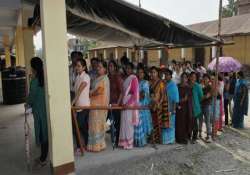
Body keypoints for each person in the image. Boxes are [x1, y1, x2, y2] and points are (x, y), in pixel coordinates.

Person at [26, 57, 48, 167]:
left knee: (42, 133)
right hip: (44, 109)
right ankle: (43, 156)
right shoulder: (44, 78)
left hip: (39, 110)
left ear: (34, 67)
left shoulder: (35, 81)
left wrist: (27, 103)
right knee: (45, 133)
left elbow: (32, 96)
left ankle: (43, 159)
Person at [87, 60, 110, 152]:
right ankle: (94, 145)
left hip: (99, 106)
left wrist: (90, 93)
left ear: (105, 69)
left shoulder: (104, 78)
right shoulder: (98, 78)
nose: (98, 68)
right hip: (94, 105)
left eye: (100, 67)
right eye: (98, 67)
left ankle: (98, 145)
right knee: (93, 124)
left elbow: (100, 90)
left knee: (97, 125)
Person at [118, 62, 139, 149]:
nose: (127, 70)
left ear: (132, 69)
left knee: (129, 123)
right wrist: (121, 102)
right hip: (124, 102)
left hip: (130, 104)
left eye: (129, 68)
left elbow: (134, 93)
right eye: (126, 68)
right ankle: (124, 143)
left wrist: (127, 103)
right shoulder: (126, 79)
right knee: (124, 122)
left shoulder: (133, 78)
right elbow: (123, 93)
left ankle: (129, 144)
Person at [72, 58, 90, 154]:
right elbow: (75, 91)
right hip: (78, 106)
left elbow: (80, 91)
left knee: (78, 127)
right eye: (76, 66)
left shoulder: (86, 76)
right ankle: (85, 145)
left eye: (79, 66)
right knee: (81, 127)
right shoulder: (77, 77)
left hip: (84, 106)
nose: (77, 67)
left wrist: (72, 102)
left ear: (84, 67)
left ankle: (81, 147)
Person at [134, 66, 152, 147]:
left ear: (144, 74)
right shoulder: (135, 81)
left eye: (141, 72)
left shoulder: (145, 82)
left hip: (143, 105)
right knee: (137, 123)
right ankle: (137, 141)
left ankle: (143, 141)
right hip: (136, 104)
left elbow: (143, 95)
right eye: (138, 72)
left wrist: (137, 94)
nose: (139, 74)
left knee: (143, 122)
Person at [149, 67, 168, 144]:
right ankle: (153, 138)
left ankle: (158, 139)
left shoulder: (161, 83)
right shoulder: (150, 83)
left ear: (157, 73)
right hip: (151, 105)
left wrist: (159, 103)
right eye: (152, 72)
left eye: (154, 72)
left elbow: (163, 95)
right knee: (151, 122)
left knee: (158, 122)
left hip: (158, 106)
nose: (153, 74)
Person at [107, 60, 123, 146]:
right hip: (108, 103)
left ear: (115, 67)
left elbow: (121, 92)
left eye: (112, 66)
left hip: (116, 104)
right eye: (109, 66)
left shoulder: (117, 77)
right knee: (110, 122)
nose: (110, 68)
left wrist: (118, 103)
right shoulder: (107, 77)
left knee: (117, 123)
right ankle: (113, 139)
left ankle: (117, 141)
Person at [176, 72, 192, 144]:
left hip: (185, 108)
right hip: (178, 107)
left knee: (184, 122)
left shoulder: (188, 87)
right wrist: (178, 101)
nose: (183, 79)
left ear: (187, 78)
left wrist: (179, 100)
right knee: (178, 122)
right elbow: (175, 96)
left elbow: (186, 99)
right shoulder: (177, 86)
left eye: (185, 77)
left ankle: (184, 138)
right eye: (182, 77)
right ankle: (178, 138)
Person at [163, 69, 179, 144]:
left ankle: (171, 139)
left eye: (167, 75)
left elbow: (175, 98)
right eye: (165, 74)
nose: (166, 76)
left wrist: (173, 110)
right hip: (165, 106)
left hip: (171, 107)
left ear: (171, 76)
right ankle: (165, 139)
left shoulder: (173, 85)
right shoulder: (164, 84)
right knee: (165, 123)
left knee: (171, 124)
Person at [189, 72, 203, 143]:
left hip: (195, 107)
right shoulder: (187, 85)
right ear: (189, 77)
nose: (193, 78)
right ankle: (188, 136)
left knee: (194, 123)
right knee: (189, 122)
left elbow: (201, 97)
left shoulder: (197, 86)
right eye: (191, 77)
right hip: (188, 107)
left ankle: (194, 137)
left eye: (194, 77)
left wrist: (196, 102)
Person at [201, 74, 213, 142]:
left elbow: (207, 96)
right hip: (201, 105)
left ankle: (209, 136)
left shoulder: (210, 87)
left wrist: (201, 98)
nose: (205, 80)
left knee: (207, 121)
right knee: (201, 120)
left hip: (207, 105)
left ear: (208, 80)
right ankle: (200, 133)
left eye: (206, 78)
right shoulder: (201, 86)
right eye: (204, 78)